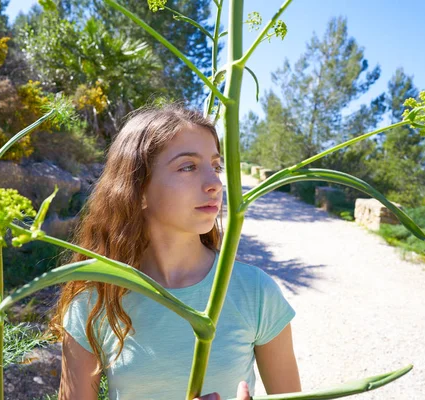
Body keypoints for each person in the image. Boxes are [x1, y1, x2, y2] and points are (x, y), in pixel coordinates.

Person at [50, 104, 301, 400]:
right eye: (188, 167)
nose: (215, 184)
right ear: (138, 189)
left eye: (216, 166)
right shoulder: (94, 301)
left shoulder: (255, 292)